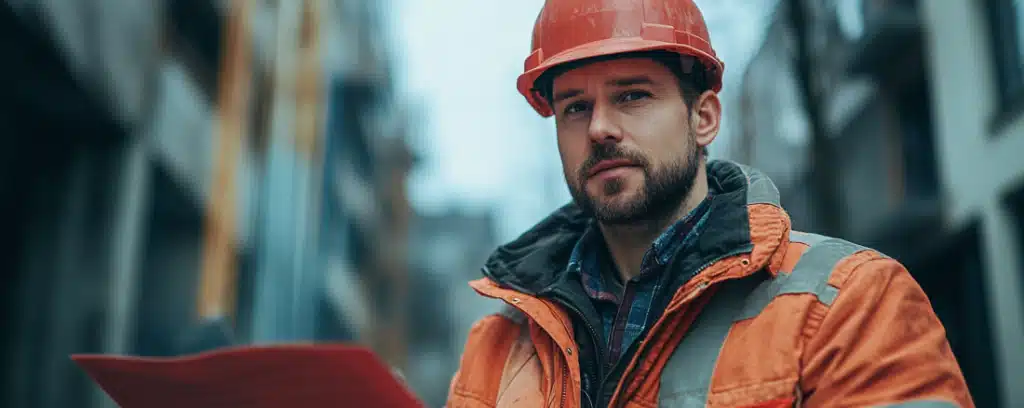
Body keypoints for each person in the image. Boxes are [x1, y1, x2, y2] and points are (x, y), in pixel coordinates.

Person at [444, 0, 974, 407]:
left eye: (631, 95)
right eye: (575, 107)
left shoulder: (850, 303)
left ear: (704, 119)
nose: (600, 128)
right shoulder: (495, 349)